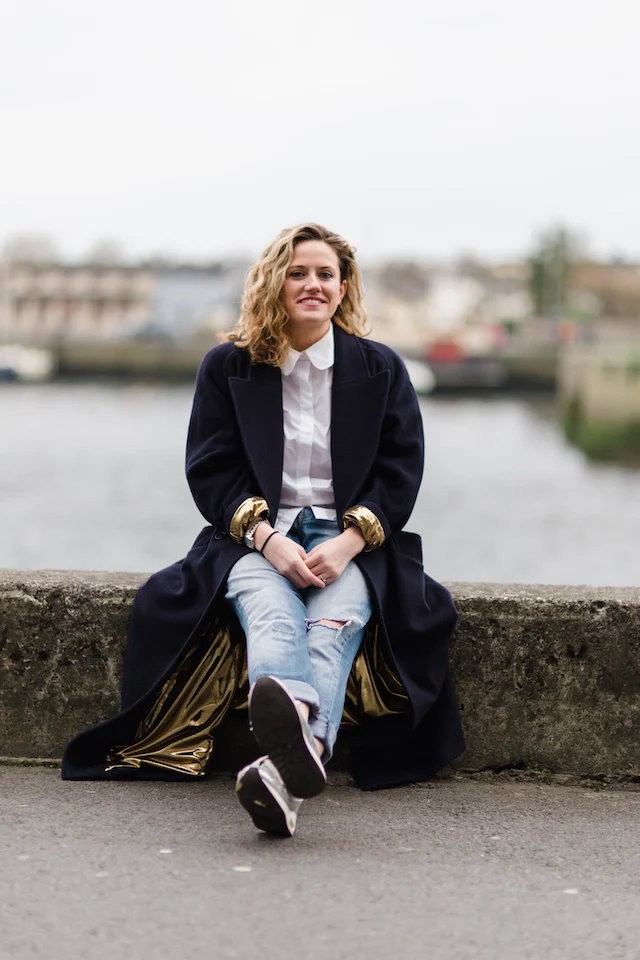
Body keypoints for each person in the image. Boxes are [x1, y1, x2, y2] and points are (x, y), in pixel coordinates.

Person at [62, 223, 464, 838]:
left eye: (325, 274)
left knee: (333, 625)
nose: (312, 284)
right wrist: (269, 540)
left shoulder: (381, 368)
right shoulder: (229, 367)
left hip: (352, 542)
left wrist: (350, 541)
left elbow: (401, 471)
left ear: (344, 285)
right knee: (274, 617)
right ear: (274, 282)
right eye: (297, 272)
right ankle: (300, 743)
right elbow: (210, 468)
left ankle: (286, 762)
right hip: (253, 536)